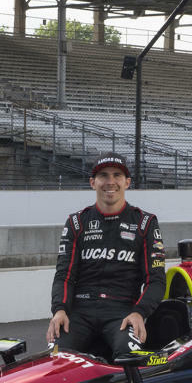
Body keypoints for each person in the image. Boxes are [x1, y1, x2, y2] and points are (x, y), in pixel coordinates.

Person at [47, 152, 166, 359]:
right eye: (103, 175)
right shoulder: (77, 222)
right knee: (57, 358)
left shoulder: (145, 223)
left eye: (117, 175)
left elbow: (155, 280)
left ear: (127, 182)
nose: (110, 182)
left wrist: (139, 313)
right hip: (80, 311)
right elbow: (64, 275)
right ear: (93, 182)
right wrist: (59, 310)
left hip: (122, 313)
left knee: (129, 356)